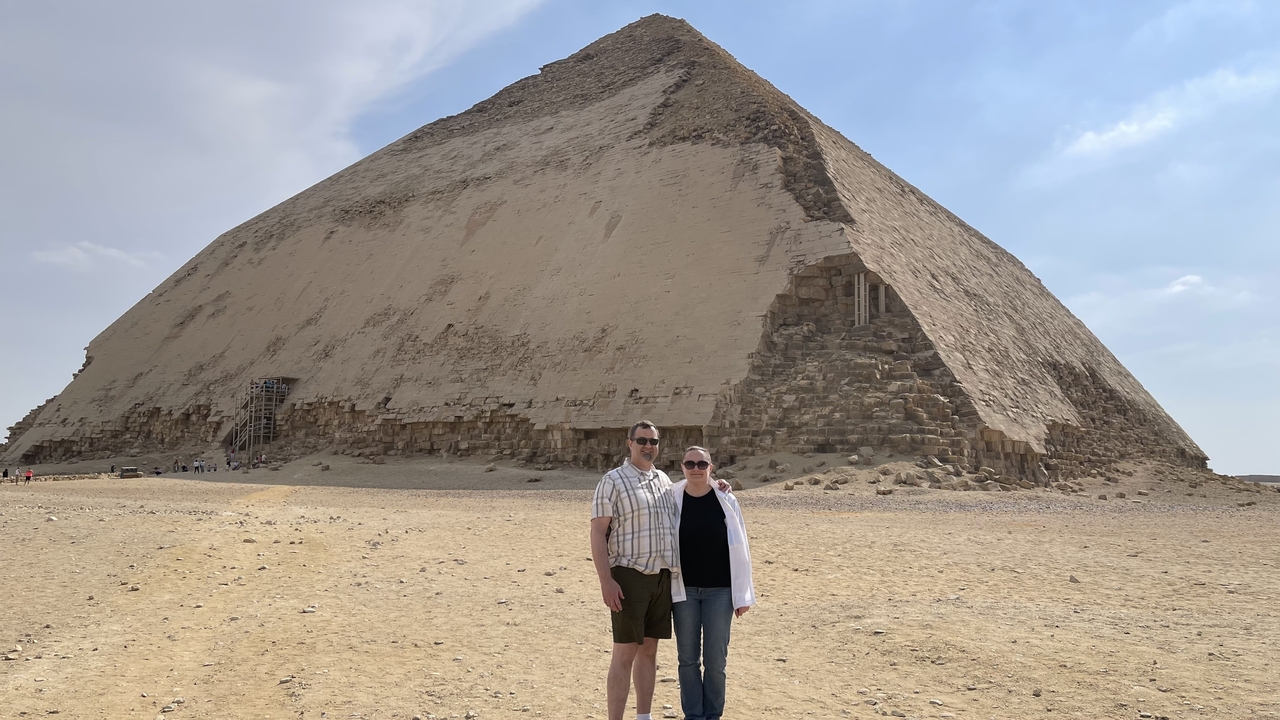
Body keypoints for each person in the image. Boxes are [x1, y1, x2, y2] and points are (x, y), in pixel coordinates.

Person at [591, 421, 678, 720]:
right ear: (629, 443)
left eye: (653, 441)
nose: (648, 446)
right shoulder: (612, 480)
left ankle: (644, 716)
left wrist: (718, 487)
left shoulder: (664, 481)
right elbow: (598, 532)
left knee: (650, 650)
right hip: (628, 576)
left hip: (661, 577)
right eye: (642, 440)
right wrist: (606, 581)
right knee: (624, 652)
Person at [669, 446, 755, 720]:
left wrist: (742, 596)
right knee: (688, 659)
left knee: (716, 662)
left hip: (721, 591)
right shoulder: (670, 498)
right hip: (684, 591)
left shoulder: (727, 500)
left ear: (711, 466)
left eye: (701, 464)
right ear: (682, 467)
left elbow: (742, 547)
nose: (696, 468)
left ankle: (713, 715)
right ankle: (693, 715)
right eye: (690, 463)